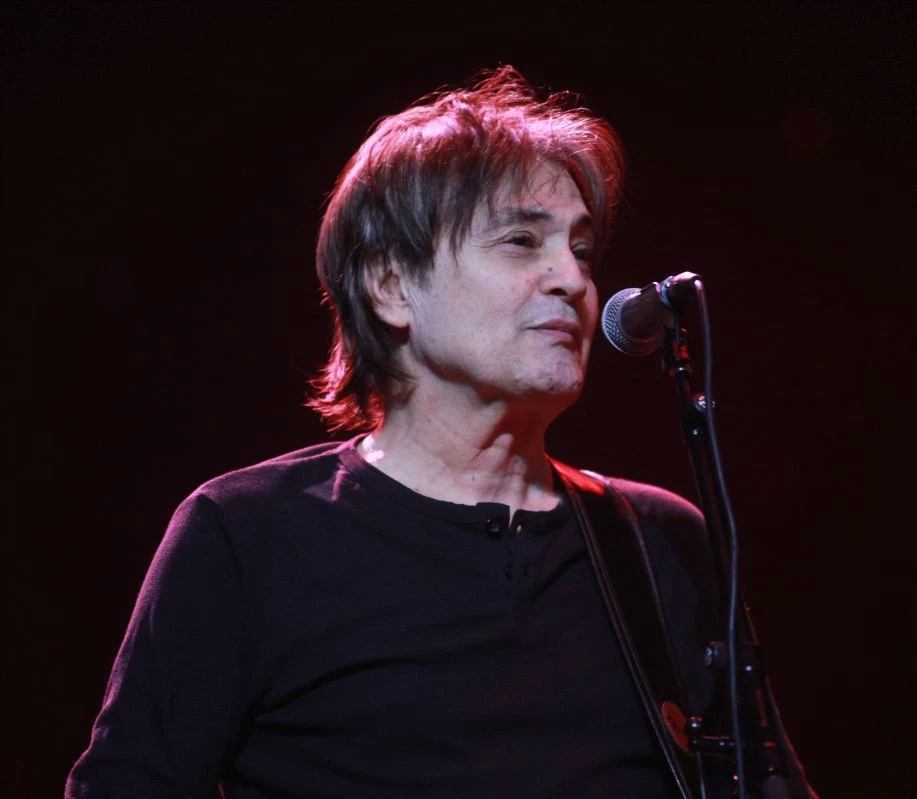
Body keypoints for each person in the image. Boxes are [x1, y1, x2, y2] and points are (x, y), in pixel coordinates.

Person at [67, 67, 817, 798]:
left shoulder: (659, 541)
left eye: (582, 250)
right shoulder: (246, 533)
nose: (573, 279)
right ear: (391, 286)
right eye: (521, 241)